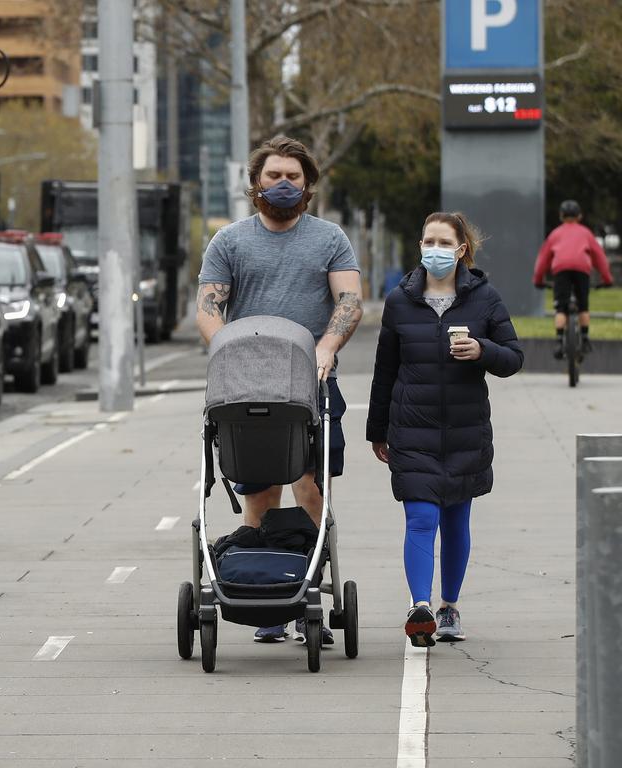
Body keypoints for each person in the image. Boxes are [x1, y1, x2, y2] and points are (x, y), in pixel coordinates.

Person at [196, 135, 363, 645]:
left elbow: (349, 300)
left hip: (311, 382)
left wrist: (328, 346)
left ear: (308, 184)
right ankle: (268, 597)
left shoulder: (329, 238)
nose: (284, 183)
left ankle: (307, 586)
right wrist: (227, 350)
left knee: (311, 487)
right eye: (274, 175)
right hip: (246, 386)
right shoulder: (229, 242)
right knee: (260, 487)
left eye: (293, 176)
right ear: (256, 183)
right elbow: (208, 309)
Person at [367, 212, 523, 647]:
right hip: (411, 428)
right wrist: (377, 429)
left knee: (456, 519)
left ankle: (449, 605)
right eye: (427, 241)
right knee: (420, 517)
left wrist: (481, 349)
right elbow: (385, 370)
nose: (433, 249)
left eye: (443, 241)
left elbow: (513, 358)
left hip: (465, 429)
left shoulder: (485, 298)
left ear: (461, 250)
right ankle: (419, 607)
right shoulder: (400, 300)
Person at [532, 200, 614, 357]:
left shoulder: (555, 234)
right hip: (582, 270)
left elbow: (543, 260)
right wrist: (607, 279)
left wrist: (538, 280)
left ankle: (558, 340)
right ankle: (584, 337)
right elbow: (600, 258)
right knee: (583, 306)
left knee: (561, 308)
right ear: (580, 216)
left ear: (561, 216)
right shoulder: (586, 233)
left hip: (561, 270)